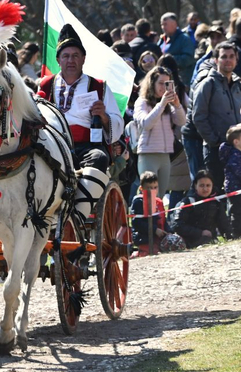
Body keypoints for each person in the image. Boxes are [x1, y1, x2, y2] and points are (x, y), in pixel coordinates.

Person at [37, 24, 124, 173]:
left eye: (75, 55)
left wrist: (103, 116)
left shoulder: (99, 86)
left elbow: (118, 123)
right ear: (58, 60)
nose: (71, 60)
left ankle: (84, 189)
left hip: (87, 147)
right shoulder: (46, 84)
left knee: (99, 158)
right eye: (66, 56)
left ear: (83, 59)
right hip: (54, 145)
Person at [192, 42, 241, 191]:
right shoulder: (207, 84)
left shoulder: (239, 85)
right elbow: (198, 116)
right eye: (224, 57)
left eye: (231, 56)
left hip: (237, 149)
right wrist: (214, 141)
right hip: (215, 150)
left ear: (236, 60)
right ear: (216, 60)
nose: (228, 60)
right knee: (217, 192)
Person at [133, 67, 186, 198]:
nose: (164, 87)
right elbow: (146, 124)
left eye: (167, 83)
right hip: (148, 154)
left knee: (160, 197)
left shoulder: (167, 104)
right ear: (152, 84)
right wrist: (161, 105)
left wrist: (177, 105)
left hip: (165, 155)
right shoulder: (142, 102)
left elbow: (181, 121)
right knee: (149, 196)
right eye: (161, 83)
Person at [129, 171, 185, 257]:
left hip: (160, 239)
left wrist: (169, 231)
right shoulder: (138, 201)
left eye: (155, 187)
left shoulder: (159, 202)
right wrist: (155, 230)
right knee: (151, 254)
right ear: (141, 188)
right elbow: (137, 223)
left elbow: (163, 220)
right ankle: (138, 253)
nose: (152, 190)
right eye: (149, 188)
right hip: (144, 238)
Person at [171, 170, 231, 248]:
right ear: (195, 186)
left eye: (208, 185)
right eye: (202, 185)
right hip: (188, 243)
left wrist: (231, 239)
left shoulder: (217, 202)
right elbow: (176, 225)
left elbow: (224, 225)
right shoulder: (187, 202)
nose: (205, 189)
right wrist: (200, 233)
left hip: (210, 241)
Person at [158, 12, 195, 87]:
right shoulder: (163, 39)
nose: (163, 27)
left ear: (174, 24)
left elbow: (188, 59)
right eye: (162, 24)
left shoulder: (184, 39)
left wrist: (168, 60)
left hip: (181, 81)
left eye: (165, 24)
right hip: (164, 80)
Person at [219, 124, 241, 239]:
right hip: (235, 189)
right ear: (236, 142)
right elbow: (239, 171)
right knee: (237, 212)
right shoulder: (235, 156)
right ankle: (236, 233)